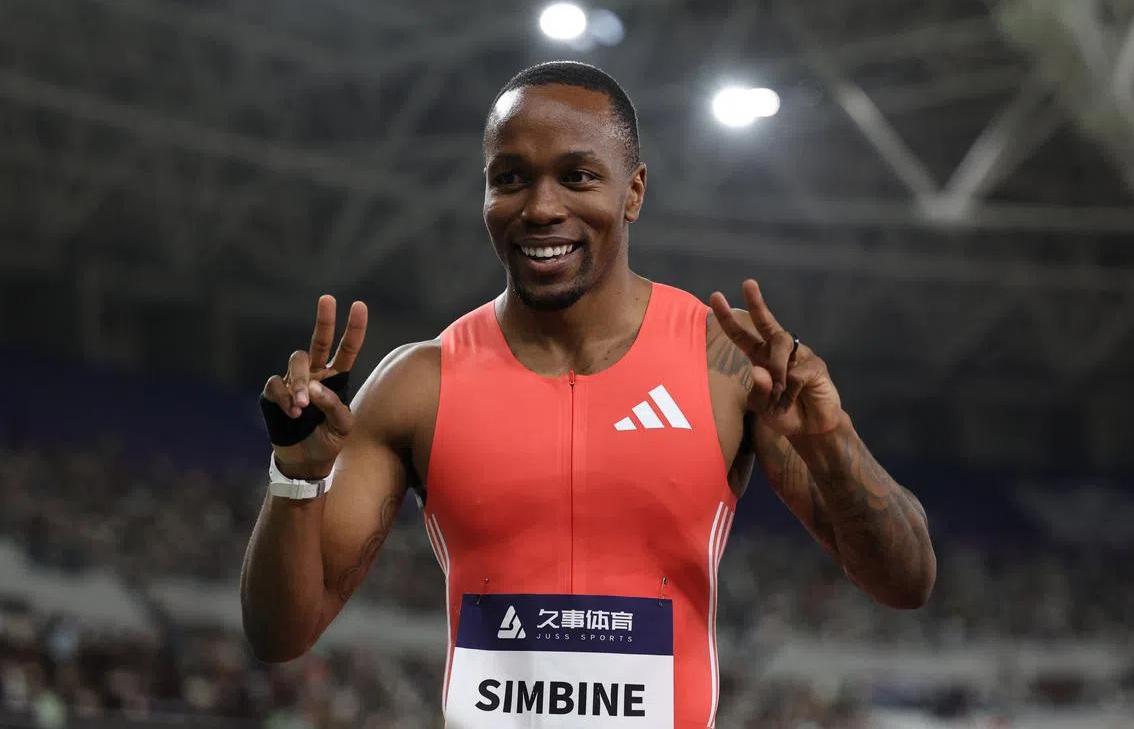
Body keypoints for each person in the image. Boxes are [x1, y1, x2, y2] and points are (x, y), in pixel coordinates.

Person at [240, 61, 936, 727]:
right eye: (510, 178)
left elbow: (906, 583)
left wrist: (831, 439)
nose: (542, 208)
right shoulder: (421, 383)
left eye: (577, 176)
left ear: (632, 192)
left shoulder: (727, 365)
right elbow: (281, 635)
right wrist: (297, 479)